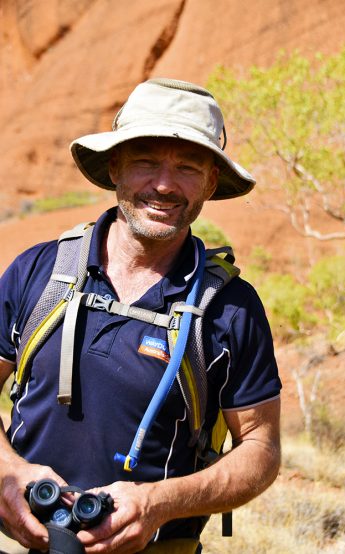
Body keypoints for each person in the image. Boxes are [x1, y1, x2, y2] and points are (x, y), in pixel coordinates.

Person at [0, 78, 281, 554]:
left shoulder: (232, 309)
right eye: (146, 161)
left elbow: (261, 449)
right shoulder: (38, 272)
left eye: (188, 167)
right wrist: (8, 475)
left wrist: (157, 504)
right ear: (115, 167)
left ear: (212, 182)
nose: (165, 184)